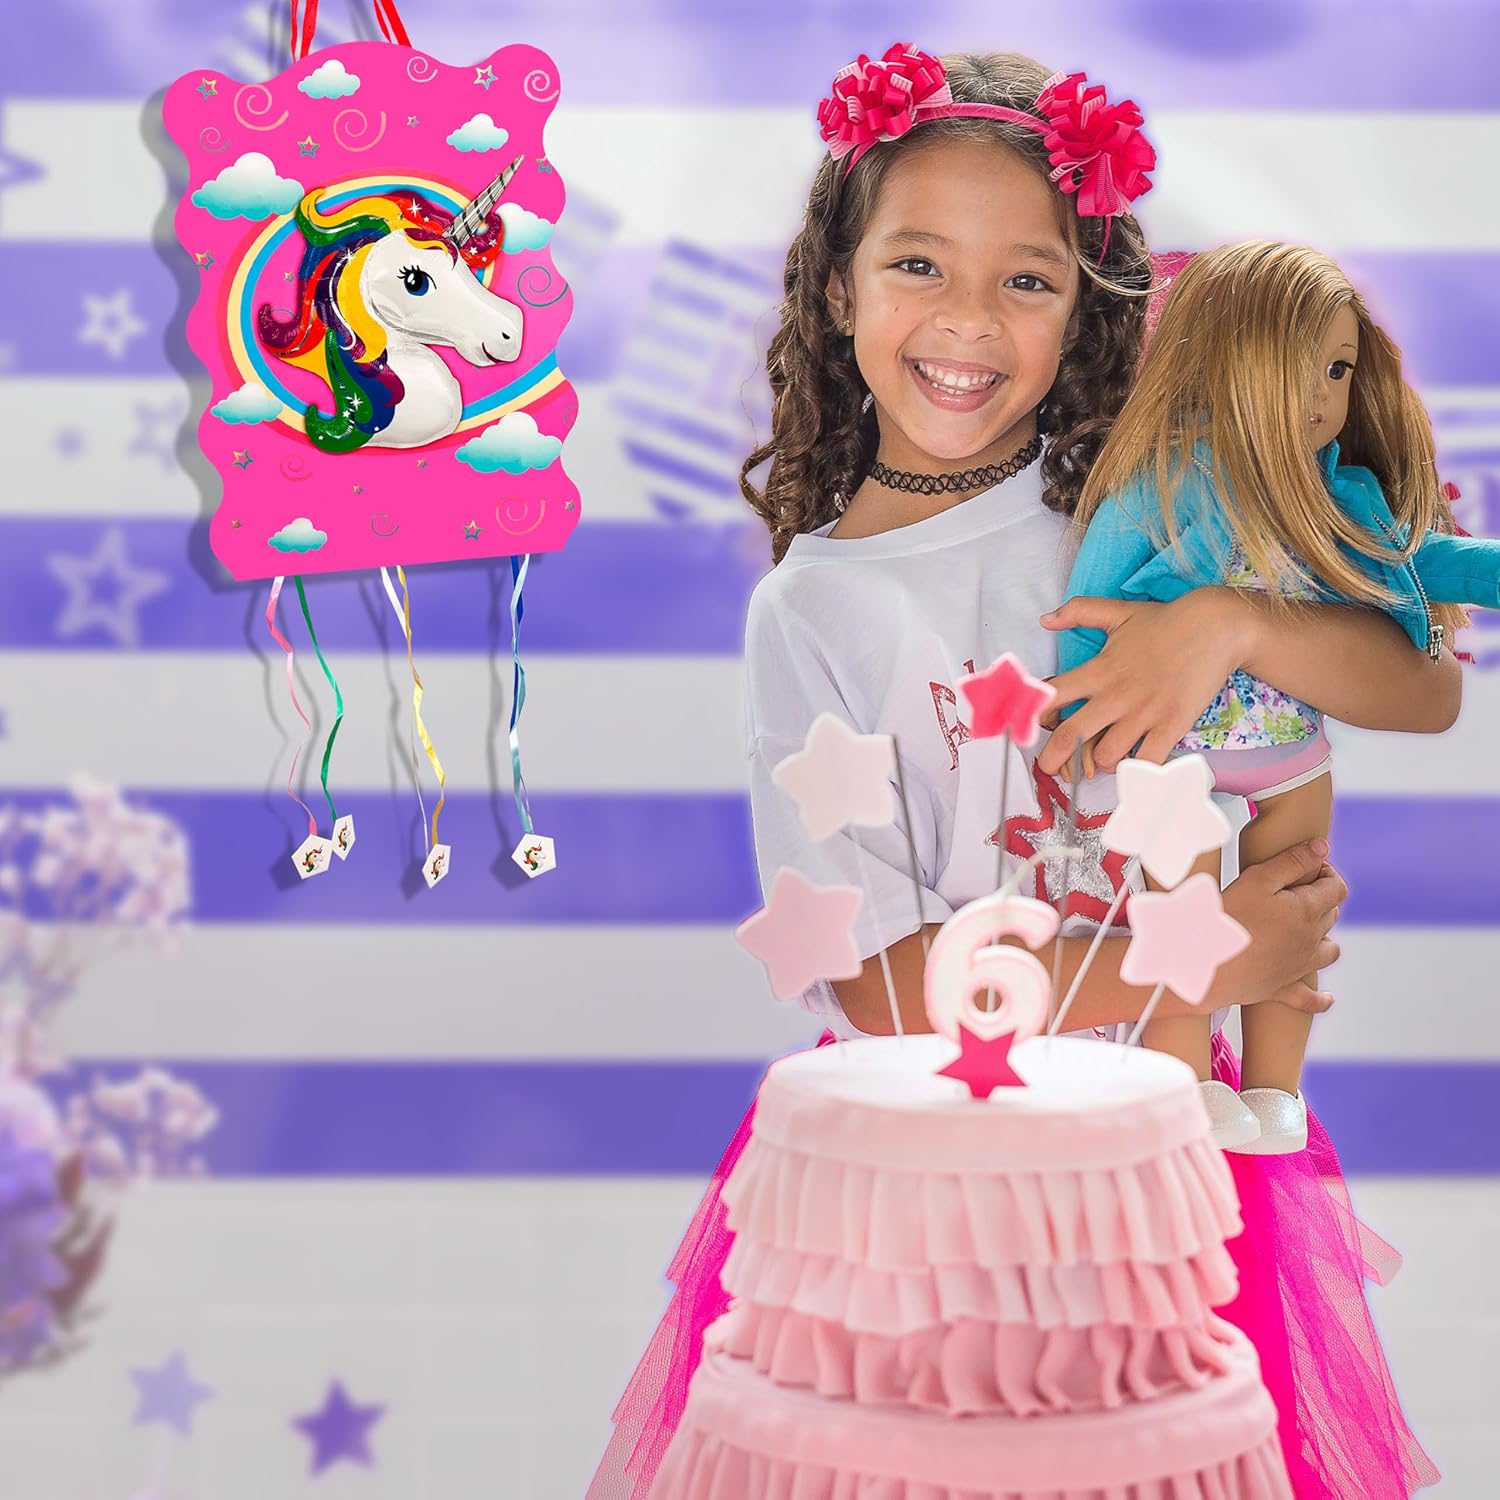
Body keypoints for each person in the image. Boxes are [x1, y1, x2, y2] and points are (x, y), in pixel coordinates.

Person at [587, 45, 1447, 1498]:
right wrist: (1202, 958)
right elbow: (871, 983)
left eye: (1029, 280)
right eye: (918, 263)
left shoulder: (1143, 519)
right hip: (929, 1178)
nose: (968, 320)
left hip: (1162, 1151)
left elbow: (1419, 689)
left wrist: (1234, 624)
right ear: (839, 288)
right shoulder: (813, 612)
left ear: (1087, 312)